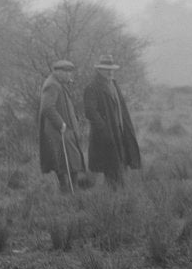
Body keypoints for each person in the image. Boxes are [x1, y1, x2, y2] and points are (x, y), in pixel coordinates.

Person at [83, 53, 141, 189]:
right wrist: (104, 129)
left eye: (112, 69)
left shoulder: (113, 84)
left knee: (121, 164)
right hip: (106, 135)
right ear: (99, 70)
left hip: (120, 132)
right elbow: (90, 111)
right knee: (111, 168)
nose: (110, 72)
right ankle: (112, 201)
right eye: (106, 69)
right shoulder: (92, 87)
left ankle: (119, 196)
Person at [38, 59, 86, 193]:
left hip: (65, 129)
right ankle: (69, 190)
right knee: (67, 159)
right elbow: (47, 108)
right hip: (59, 130)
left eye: (71, 73)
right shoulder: (52, 85)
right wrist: (61, 124)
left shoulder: (57, 83)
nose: (70, 76)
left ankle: (70, 189)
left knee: (69, 159)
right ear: (59, 72)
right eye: (68, 73)